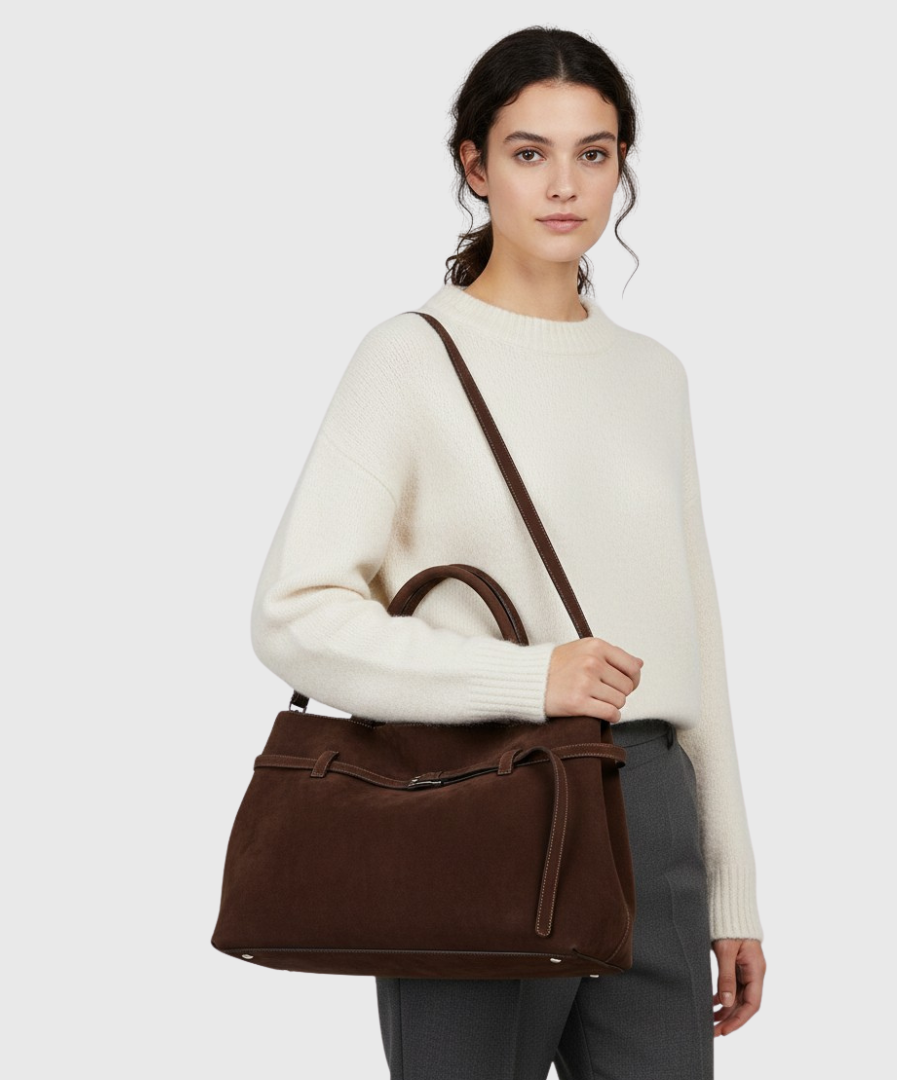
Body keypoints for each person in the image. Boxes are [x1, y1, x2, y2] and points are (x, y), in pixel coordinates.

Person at [249, 25, 766, 1080]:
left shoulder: (653, 376)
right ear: (475, 166)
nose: (564, 185)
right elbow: (294, 615)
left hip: (650, 810)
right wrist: (529, 678)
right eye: (530, 153)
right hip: (477, 801)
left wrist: (731, 891)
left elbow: (697, 641)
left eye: (594, 153)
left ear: (622, 165)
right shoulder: (408, 360)